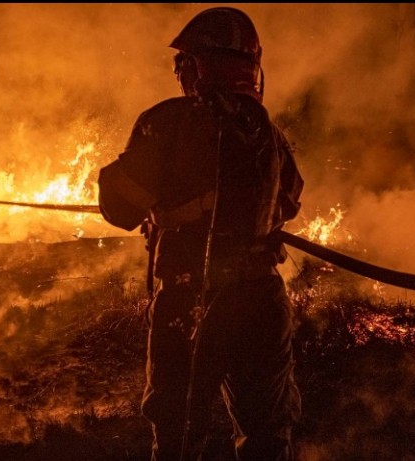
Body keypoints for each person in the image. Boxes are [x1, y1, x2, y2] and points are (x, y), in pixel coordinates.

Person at [97, 7, 304, 461]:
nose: (178, 74)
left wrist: (122, 181)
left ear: (196, 66)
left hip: (193, 300)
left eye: (182, 64)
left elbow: (119, 209)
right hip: (262, 302)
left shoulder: (168, 122)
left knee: (178, 432)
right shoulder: (270, 135)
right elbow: (289, 203)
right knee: (267, 435)